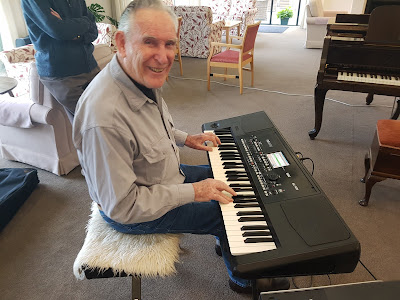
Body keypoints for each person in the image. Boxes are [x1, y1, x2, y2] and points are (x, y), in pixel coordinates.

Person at [73, 0, 289, 294]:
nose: (163, 57)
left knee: (228, 177)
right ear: (121, 43)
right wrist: (195, 192)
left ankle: (223, 237)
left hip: (159, 175)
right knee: (225, 209)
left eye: (170, 44)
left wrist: (186, 138)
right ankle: (242, 279)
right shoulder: (103, 119)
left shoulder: (136, 74)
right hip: (134, 210)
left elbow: (154, 123)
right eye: (150, 42)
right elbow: (123, 207)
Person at [21, 0, 100, 123]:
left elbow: (94, 31)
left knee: (107, 115)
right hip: (63, 74)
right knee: (93, 122)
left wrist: (73, 31)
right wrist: (84, 23)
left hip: (90, 66)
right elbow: (59, 31)